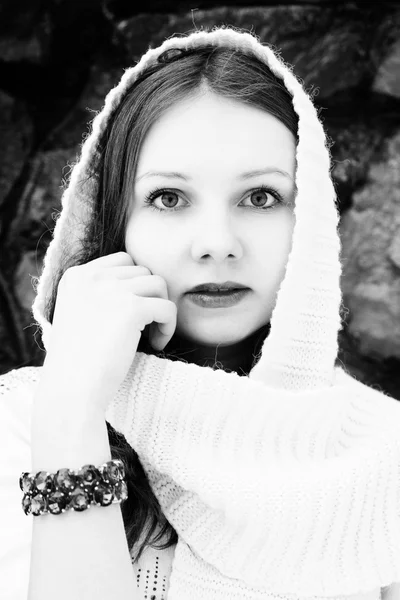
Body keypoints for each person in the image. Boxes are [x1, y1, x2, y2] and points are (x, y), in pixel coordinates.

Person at [0, 25, 399, 600]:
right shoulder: (25, 422)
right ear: (116, 225)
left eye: (260, 197)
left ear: (309, 220)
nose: (217, 242)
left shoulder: (382, 458)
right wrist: (70, 414)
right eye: (168, 198)